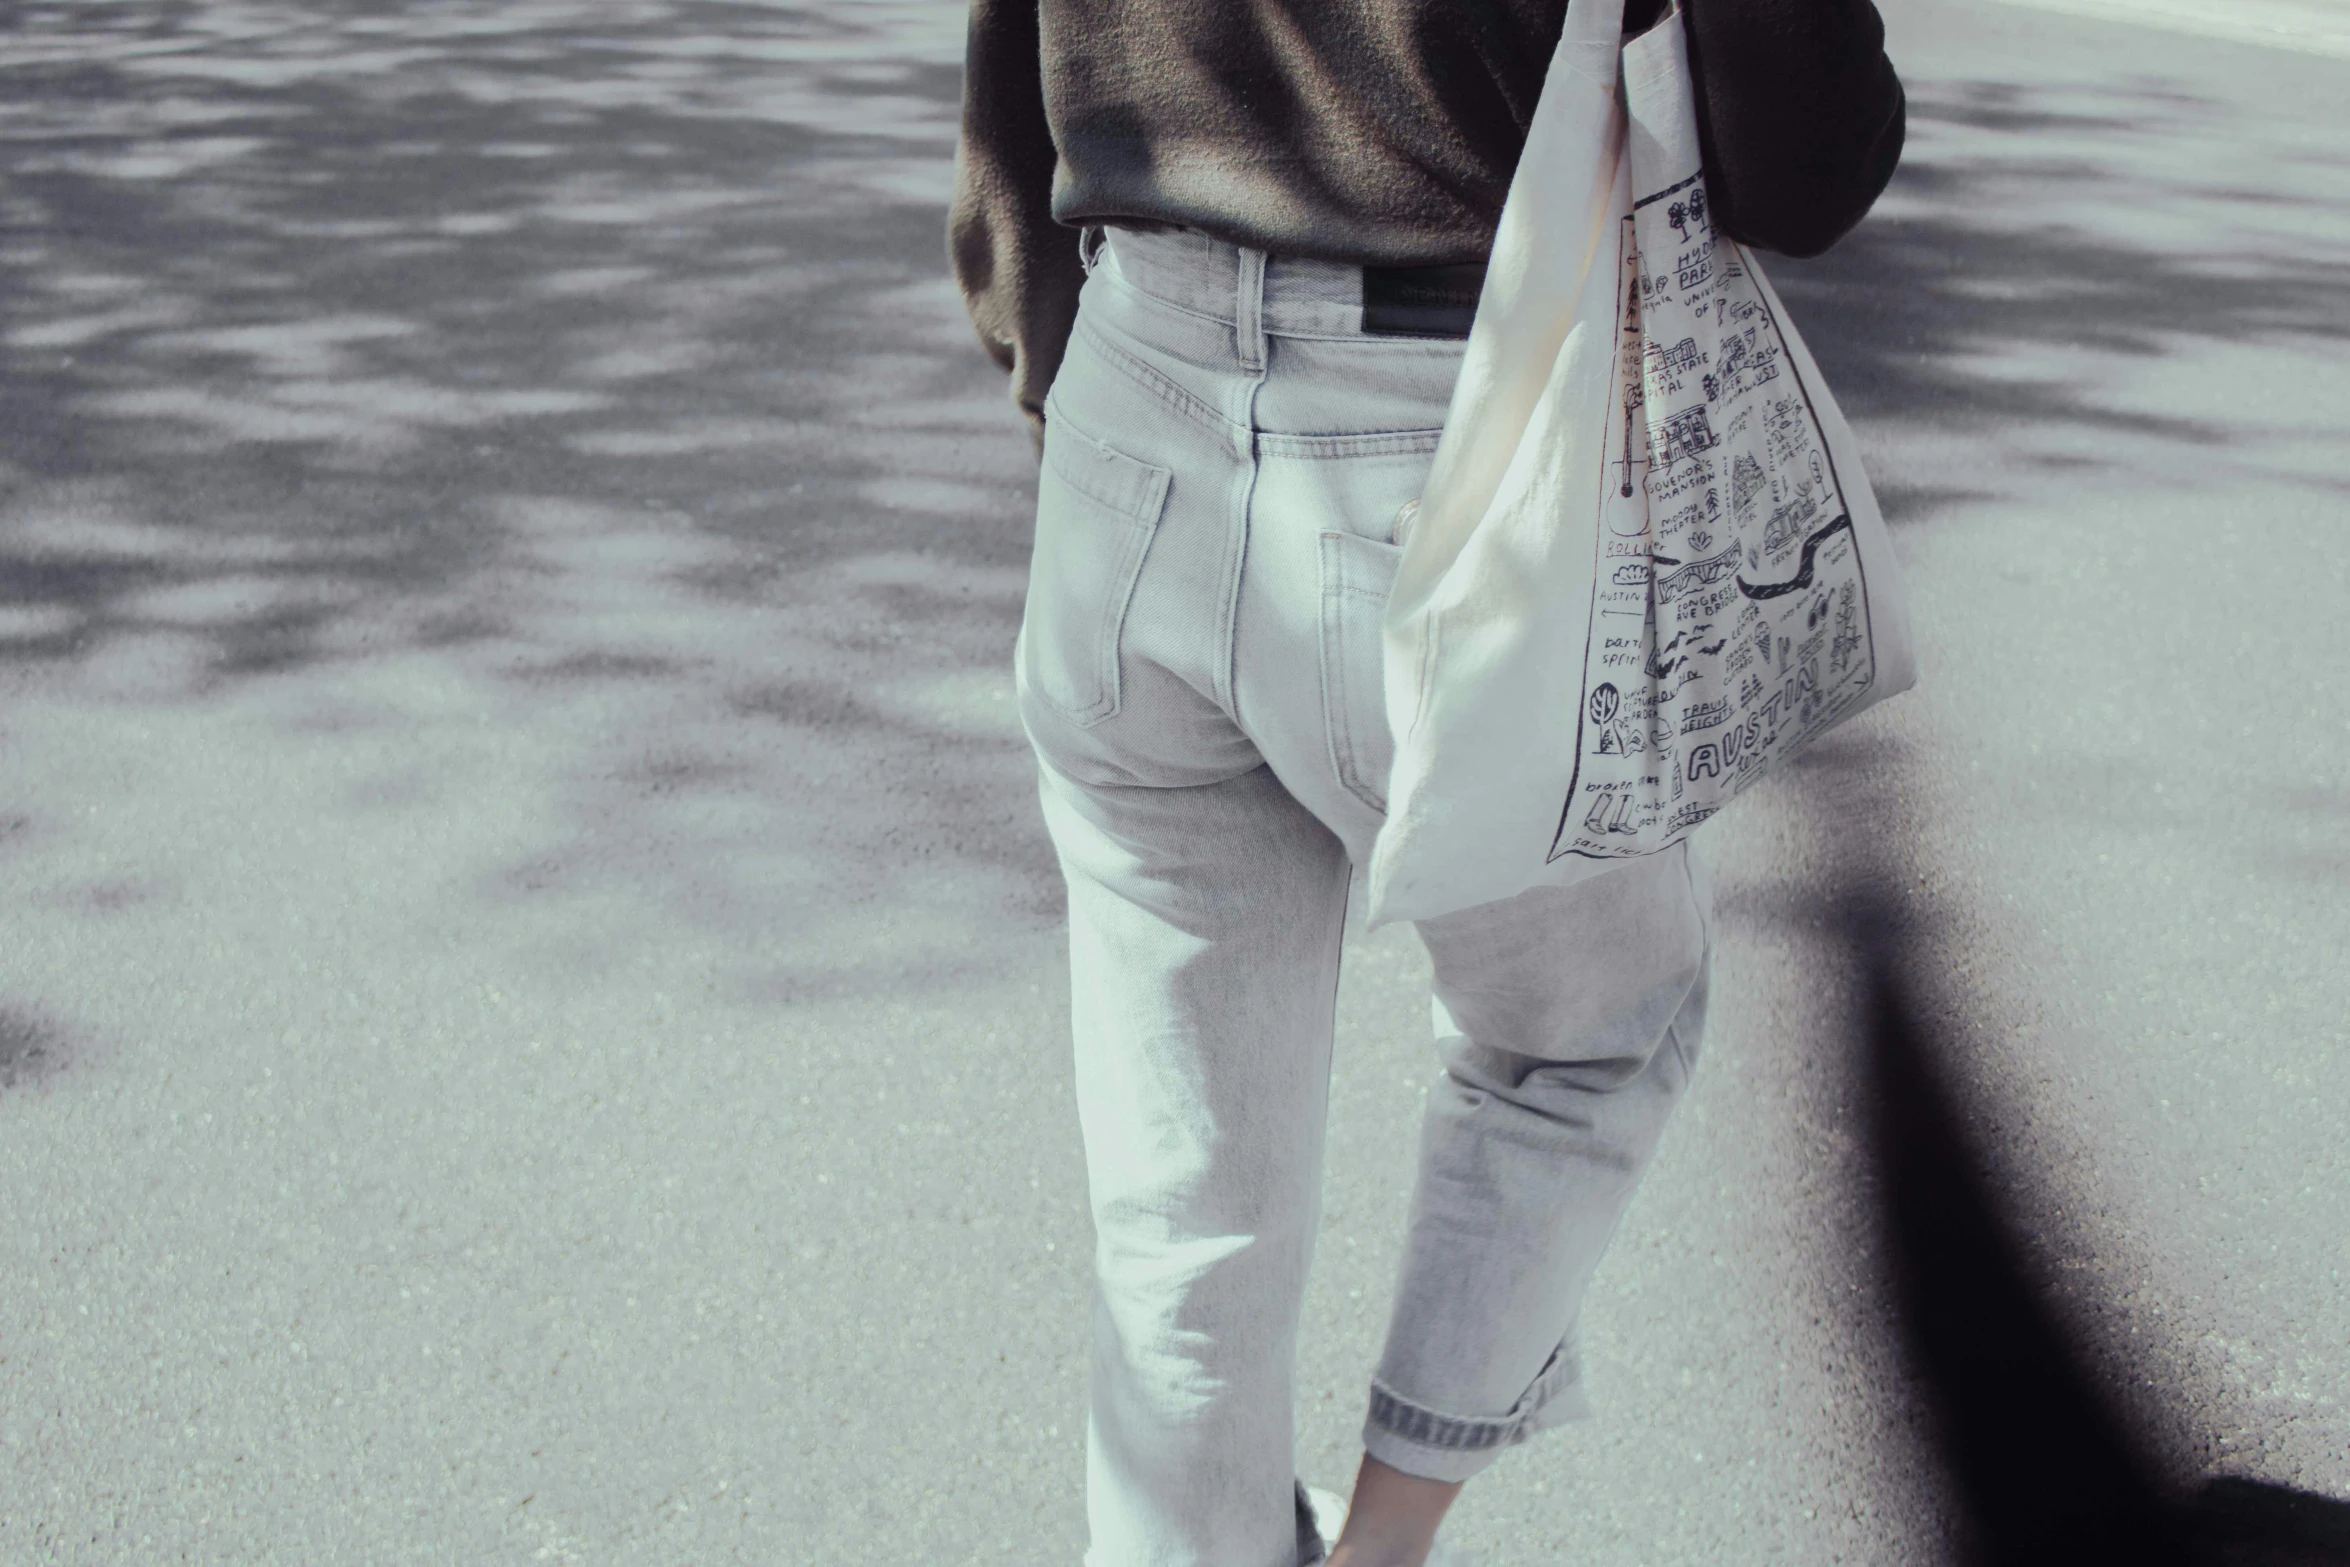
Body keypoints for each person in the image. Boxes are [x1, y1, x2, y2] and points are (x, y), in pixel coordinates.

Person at [949, 2, 1904, 1562]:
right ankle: (1381, 1545)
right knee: (1587, 1036)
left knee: (1180, 1215)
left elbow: (1011, 71)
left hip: (1131, 404)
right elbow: (1803, 161)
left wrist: (1055, 362)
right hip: (1464, 440)